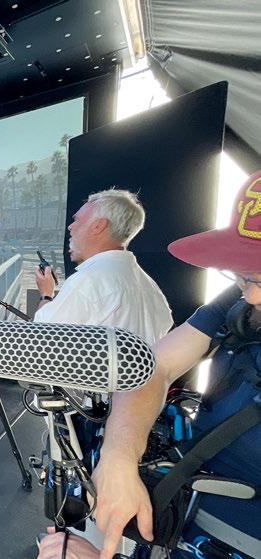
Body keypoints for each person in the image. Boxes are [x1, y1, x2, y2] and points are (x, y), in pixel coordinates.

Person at [38, 171, 261, 559]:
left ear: (99, 225)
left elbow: (40, 345)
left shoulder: (88, 281)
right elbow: (154, 367)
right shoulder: (219, 299)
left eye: (255, 277)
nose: (249, 293)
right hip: (180, 514)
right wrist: (119, 457)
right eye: (242, 276)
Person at [35, 189, 172, 345]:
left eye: (77, 220)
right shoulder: (150, 286)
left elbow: (42, 338)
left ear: (98, 226)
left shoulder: (88, 281)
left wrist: (46, 295)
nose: (70, 227)